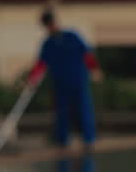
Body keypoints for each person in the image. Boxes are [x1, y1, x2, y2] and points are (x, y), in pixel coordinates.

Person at [29, 10, 98, 147]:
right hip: (60, 82)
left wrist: (94, 68)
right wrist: (34, 79)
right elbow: (41, 63)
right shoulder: (48, 43)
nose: (50, 27)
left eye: (51, 24)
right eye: (47, 25)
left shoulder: (72, 36)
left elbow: (86, 53)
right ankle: (63, 140)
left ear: (55, 22)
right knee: (62, 111)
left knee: (83, 109)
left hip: (78, 80)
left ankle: (89, 139)